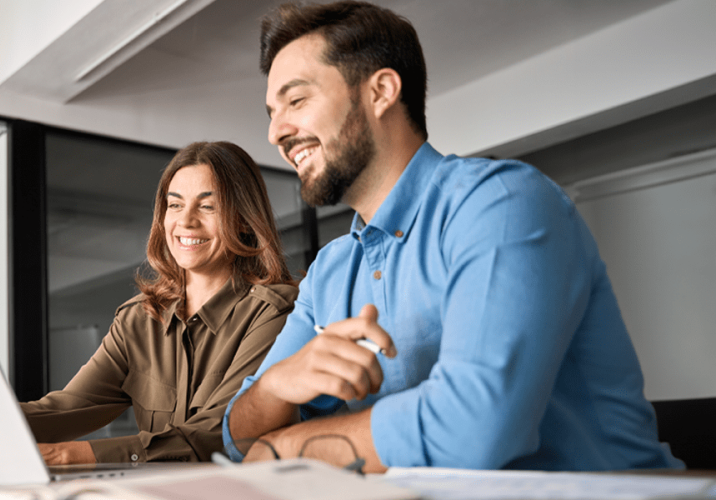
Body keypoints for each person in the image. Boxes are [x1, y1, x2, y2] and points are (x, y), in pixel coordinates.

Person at [222, 1, 682, 472]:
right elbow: (237, 441)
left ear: (380, 91)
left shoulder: (500, 201)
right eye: (272, 112)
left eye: (296, 101)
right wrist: (277, 385)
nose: (277, 132)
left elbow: (475, 428)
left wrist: (289, 448)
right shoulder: (330, 272)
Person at [21, 141, 298, 464]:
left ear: (243, 220)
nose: (187, 221)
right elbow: (69, 408)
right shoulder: (138, 318)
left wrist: (71, 454)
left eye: (208, 207)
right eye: (175, 205)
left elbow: (218, 431)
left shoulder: (275, 312)